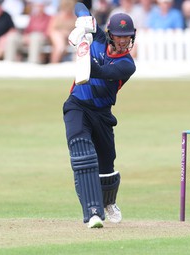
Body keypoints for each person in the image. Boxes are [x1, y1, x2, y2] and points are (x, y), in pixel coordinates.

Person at [63, 2, 136, 228]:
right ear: (110, 35)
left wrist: (82, 47)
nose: (123, 40)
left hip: (102, 114)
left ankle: (109, 203)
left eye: (127, 36)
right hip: (77, 105)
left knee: (107, 167)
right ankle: (93, 212)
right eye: (119, 35)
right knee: (83, 154)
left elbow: (99, 71)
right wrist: (83, 24)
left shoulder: (127, 65)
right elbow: (79, 6)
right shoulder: (99, 39)